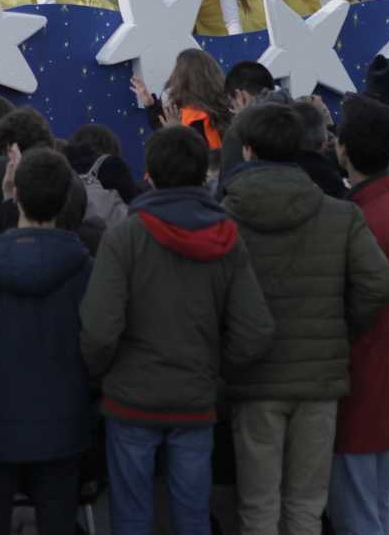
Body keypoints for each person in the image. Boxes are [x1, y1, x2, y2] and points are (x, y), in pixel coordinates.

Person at [80, 124, 273, 534]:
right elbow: (254, 329)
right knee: (191, 518)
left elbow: (99, 330)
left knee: (131, 518)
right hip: (195, 399)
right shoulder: (228, 239)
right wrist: (217, 370)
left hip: (130, 400)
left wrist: (102, 373)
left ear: (149, 173)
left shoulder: (124, 237)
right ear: (204, 172)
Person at [219, 104, 389, 535]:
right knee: (305, 506)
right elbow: (380, 283)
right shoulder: (340, 213)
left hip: (254, 378)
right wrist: (342, 325)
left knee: (257, 506)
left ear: (247, 151)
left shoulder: (225, 217)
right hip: (319, 378)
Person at [0, 148, 92, 534]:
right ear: (67, 198)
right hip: (62, 423)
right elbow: (95, 342)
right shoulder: (83, 266)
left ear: (15, 193)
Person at [327, 96, 389, 535]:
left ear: (344, 147)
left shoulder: (362, 216)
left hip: (363, 371)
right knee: (379, 500)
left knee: (355, 507)